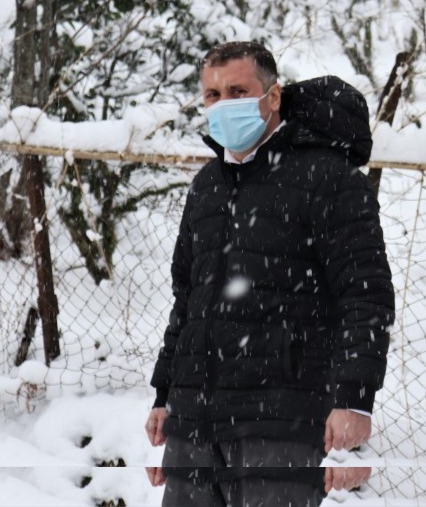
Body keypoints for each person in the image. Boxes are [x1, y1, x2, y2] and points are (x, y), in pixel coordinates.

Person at [144, 42, 395, 506]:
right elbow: (188, 302)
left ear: (273, 97)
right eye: (212, 96)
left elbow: (365, 296)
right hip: (196, 425)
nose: (223, 105)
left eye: (238, 91)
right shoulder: (206, 186)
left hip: (282, 423)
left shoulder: (329, 179)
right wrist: (166, 396)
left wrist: (354, 401)